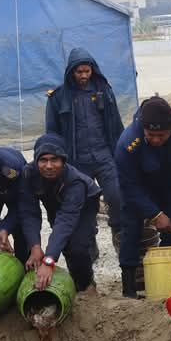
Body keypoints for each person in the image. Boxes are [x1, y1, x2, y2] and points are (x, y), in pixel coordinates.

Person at [114, 96, 171, 298]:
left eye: (161, 135)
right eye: (150, 135)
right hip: (137, 190)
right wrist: (155, 214)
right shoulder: (128, 143)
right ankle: (129, 290)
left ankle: (168, 282)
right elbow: (128, 186)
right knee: (131, 233)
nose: (155, 139)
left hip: (168, 186)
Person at [45, 48, 124, 247]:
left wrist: (120, 154)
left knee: (116, 197)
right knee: (83, 205)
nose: (83, 76)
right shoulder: (58, 97)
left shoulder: (104, 91)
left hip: (104, 156)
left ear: (92, 70)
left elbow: (116, 125)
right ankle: (89, 245)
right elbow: (52, 135)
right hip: (76, 161)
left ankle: (120, 238)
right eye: (79, 72)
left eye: (86, 71)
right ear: (71, 71)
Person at [19, 133, 102, 293]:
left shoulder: (75, 182)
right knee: (65, 243)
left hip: (84, 203)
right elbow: (28, 211)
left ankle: (87, 284)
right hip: (53, 199)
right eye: (43, 160)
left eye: (54, 160)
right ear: (36, 161)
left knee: (78, 244)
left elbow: (66, 220)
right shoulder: (29, 173)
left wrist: (49, 260)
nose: (49, 166)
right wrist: (35, 247)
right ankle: (77, 280)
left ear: (63, 161)